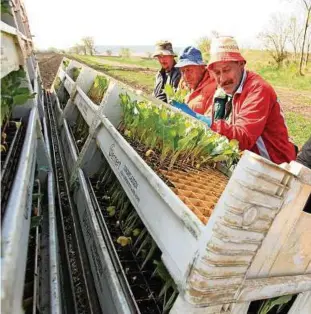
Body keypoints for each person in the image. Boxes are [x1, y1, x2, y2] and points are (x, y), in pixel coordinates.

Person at [205, 36, 296, 164]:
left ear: (241, 64)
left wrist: (207, 123)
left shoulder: (258, 89)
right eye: (217, 73)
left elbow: (242, 139)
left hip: (275, 166)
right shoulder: (225, 91)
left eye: (226, 70)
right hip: (250, 163)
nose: (222, 79)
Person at [175, 46, 216, 115]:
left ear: (202, 68)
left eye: (189, 70)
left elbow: (210, 123)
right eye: (182, 71)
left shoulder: (213, 88)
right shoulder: (183, 84)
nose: (186, 76)